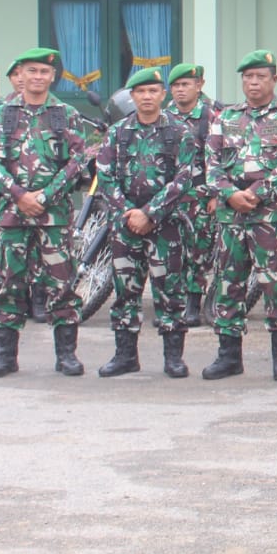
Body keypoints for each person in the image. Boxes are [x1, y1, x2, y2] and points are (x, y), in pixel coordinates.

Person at [0, 48, 93, 379]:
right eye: (32, 71)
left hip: (53, 217)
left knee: (61, 285)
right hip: (13, 215)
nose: (38, 77)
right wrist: (19, 195)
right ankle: (5, 357)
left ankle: (66, 355)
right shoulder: (1, 115)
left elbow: (77, 162)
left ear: (52, 76)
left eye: (44, 71)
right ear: (21, 75)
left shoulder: (66, 114)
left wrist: (45, 195)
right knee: (9, 283)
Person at [201, 50, 277, 381]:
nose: (253, 82)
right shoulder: (226, 118)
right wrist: (230, 194)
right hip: (231, 218)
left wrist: (258, 192)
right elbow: (212, 164)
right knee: (228, 284)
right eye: (248, 77)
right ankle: (228, 356)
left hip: (270, 219)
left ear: (274, 80)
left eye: (260, 76)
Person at [94, 68, 199, 379]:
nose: (147, 97)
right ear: (133, 96)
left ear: (162, 95)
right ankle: (125, 356)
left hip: (165, 226)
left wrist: (150, 213)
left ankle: (173, 359)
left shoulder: (179, 132)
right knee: (125, 290)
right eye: (141, 92)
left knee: (170, 291)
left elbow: (184, 178)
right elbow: (105, 175)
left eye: (153, 91)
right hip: (126, 227)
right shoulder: (118, 133)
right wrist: (129, 213)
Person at [167, 62, 221, 325]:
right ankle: (172, 302)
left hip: (200, 194)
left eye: (185, 84)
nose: (180, 90)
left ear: (198, 86)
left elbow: (221, 157)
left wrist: (215, 195)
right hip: (169, 196)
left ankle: (192, 302)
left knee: (197, 249)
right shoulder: (164, 115)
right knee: (171, 249)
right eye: (175, 86)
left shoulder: (211, 116)